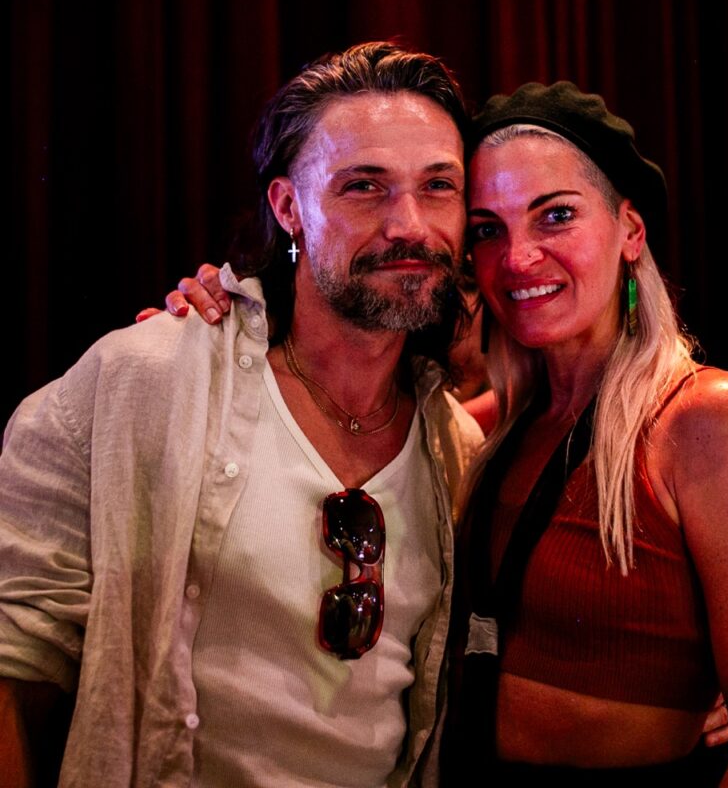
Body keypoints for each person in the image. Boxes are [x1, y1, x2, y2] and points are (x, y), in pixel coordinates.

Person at [0, 41, 486, 788]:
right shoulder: (146, 381)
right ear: (289, 206)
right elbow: (13, 653)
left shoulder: (456, 443)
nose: (409, 225)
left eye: (438, 187)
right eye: (364, 186)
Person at [441, 81, 728, 786]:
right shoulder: (493, 426)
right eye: (487, 228)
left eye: (554, 216)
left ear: (629, 230)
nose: (517, 257)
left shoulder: (707, 418)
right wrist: (204, 323)